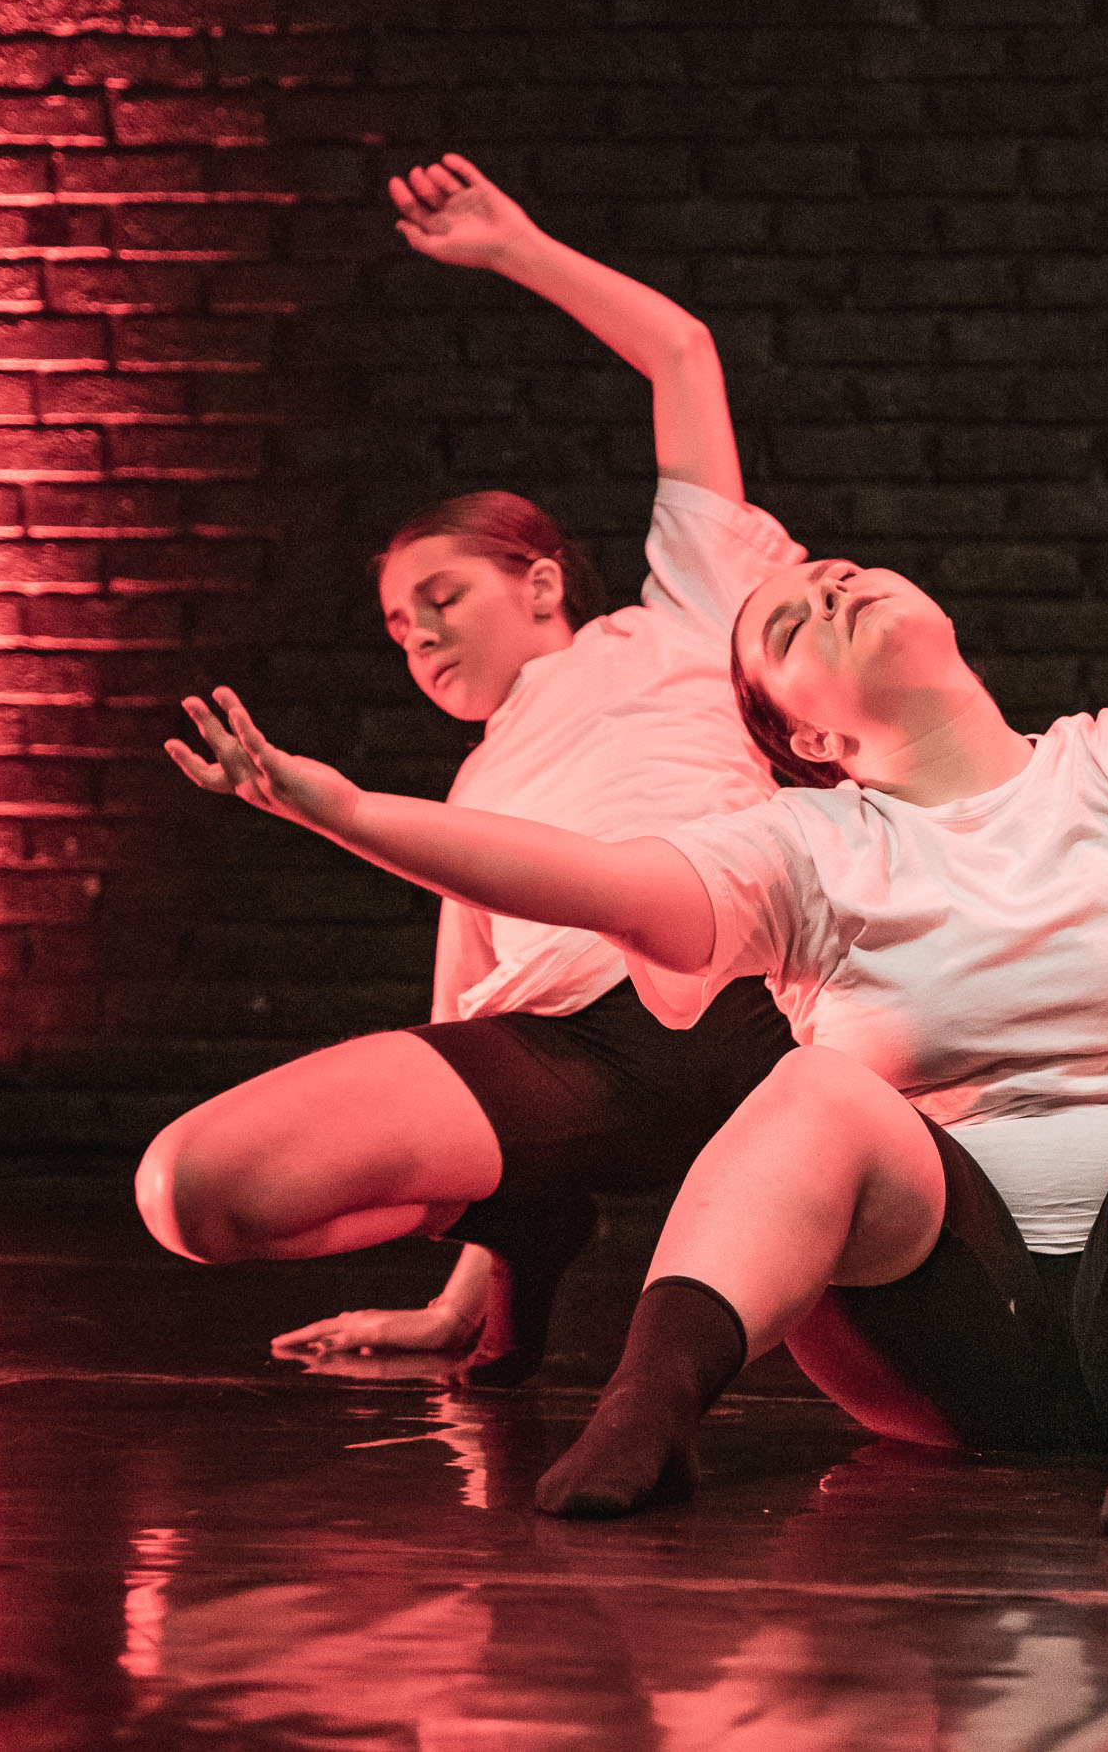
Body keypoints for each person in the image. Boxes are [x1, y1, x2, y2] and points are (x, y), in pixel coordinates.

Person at [168, 557, 1108, 1535]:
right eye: (787, 619)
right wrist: (342, 810)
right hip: (948, 1336)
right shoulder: (808, 846)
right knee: (813, 1089)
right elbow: (601, 882)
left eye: (843, 574)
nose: (826, 586)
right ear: (809, 737)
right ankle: (649, 1410)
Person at [135, 155, 799, 1384]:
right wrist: (460, 1301)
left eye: (442, 597)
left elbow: (682, 356)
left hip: (759, 1012)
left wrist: (513, 249)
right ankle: (533, 1229)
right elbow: (462, 1031)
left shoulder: (683, 621)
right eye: (398, 627)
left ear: (539, 582)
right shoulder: (473, 795)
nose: (421, 636)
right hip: (582, 1068)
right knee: (196, 1191)